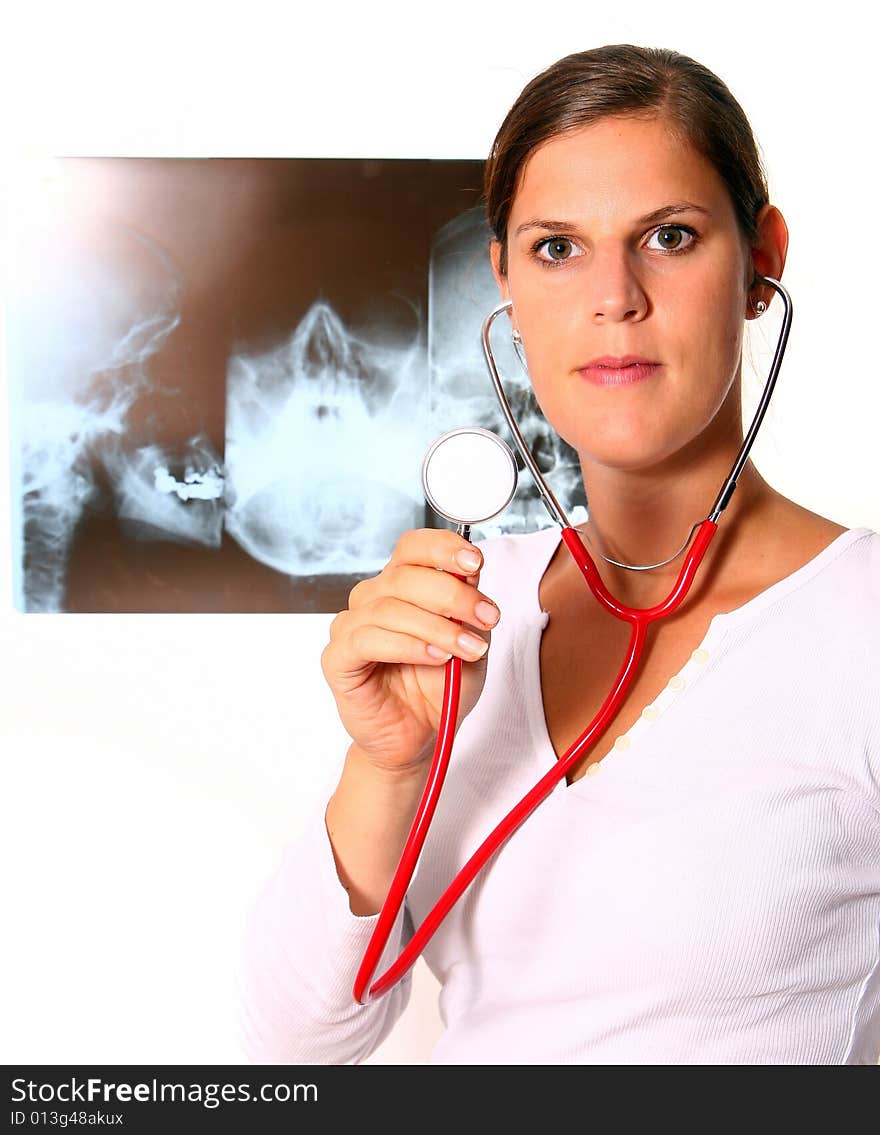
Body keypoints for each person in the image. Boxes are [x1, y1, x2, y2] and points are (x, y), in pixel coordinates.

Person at [237, 44, 880, 1065]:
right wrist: (386, 763)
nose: (612, 297)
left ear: (762, 259)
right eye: (555, 248)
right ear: (502, 277)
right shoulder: (463, 600)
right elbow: (299, 1046)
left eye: (669, 236)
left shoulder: (860, 624)